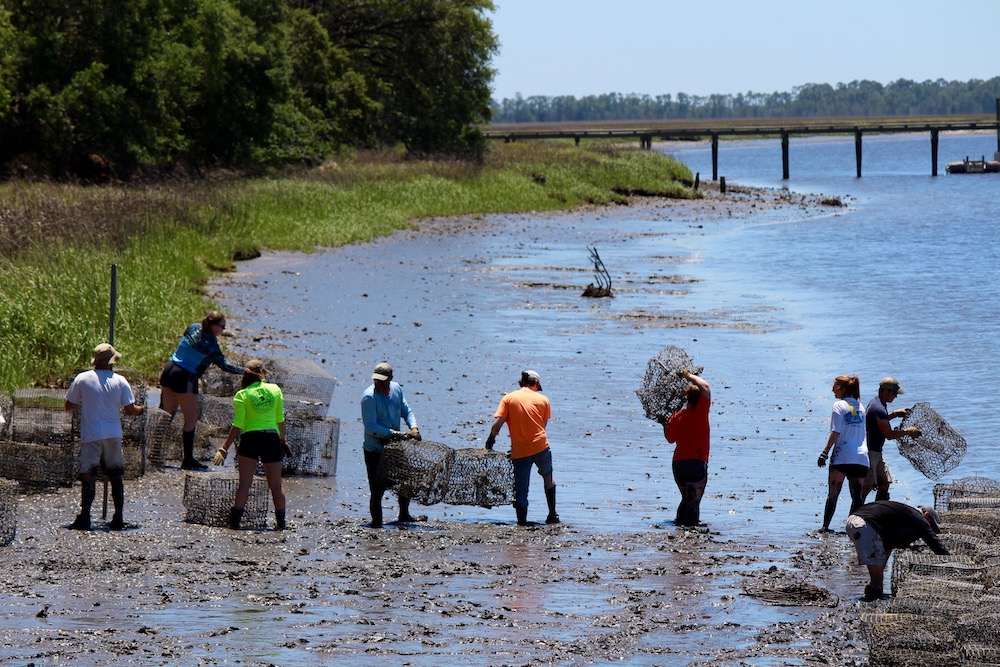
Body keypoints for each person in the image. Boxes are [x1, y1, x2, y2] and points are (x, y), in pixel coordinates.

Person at [64, 343, 146, 531]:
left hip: (91, 434)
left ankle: (85, 516)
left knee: (88, 475)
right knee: (115, 476)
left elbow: (69, 405)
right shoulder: (120, 380)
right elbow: (130, 410)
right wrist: (142, 409)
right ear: (112, 362)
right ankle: (118, 517)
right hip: (112, 434)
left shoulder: (82, 378)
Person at [159, 310, 243, 470]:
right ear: (213, 326)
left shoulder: (193, 327)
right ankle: (188, 460)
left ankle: (154, 452)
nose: (223, 330)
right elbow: (225, 365)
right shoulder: (210, 345)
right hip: (185, 377)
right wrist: (245, 371)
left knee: (165, 414)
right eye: (222, 327)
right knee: (192, 417)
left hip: (169, 369)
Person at [213, 360, 287, 530]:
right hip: (271, 438)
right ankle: (281, 525)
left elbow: (237, 424)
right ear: (263, 372)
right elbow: (280, 420)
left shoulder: (242, 394)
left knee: (245, 483)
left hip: (251, 438)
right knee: (276, 485)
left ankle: (235, 524)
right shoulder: (275, 390)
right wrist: (282, 440)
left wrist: (224, 447)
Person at [485, 369, 558, 526]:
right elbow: (542, 427)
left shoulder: (509, 398)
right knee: (548, 477)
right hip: (541, 446)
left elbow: (497, 425)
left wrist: (490, 440)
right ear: (536, 384)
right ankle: (552, 514)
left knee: (521, 488)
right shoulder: (543, 400)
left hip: (520, 451)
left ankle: (522, 522)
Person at [846, 500, 949, 601]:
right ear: (926, 515)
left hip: (852, 522)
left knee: (879, 560)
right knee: (876, 573)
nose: (929, 527)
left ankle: (875, 593)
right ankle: (873, 595)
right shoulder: (919, 518)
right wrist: (951, 560)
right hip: (864, 525)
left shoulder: (906, 512)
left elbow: (891, 540)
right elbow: (934, 543)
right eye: (931, 524)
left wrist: (908, 545)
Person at [361, 361, 420, 528]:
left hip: (395, 447)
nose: (378, 383)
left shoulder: (396, 389)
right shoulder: (369, 397)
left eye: (382, 380)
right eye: (376, 380)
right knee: (377, 487)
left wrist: (413, 427)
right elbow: (371, 427)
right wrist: (395, 434)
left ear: (390, 379)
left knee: (405, 481)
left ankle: (404, 514)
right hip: (375, 448)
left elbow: (406, 410)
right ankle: (377, 522)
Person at [658, 370, 711, 527]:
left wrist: (664, 425)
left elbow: (670, 439)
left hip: (679, 464)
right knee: (693, 500)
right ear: (700, 399)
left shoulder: (676, 416)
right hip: (697, 461)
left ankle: (679, 526)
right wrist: (688, 376)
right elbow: (705, 386)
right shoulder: (701, 410)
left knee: (685, 498)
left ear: (686, 398)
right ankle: (691, 530)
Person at [818, 374, 869, 532]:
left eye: (835, 386)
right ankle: (853, 529)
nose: (832, 389)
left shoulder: (839, 405)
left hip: (842, 456)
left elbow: (836, 432)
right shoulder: (861, 407)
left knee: (833, 494)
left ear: (844, 389)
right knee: (857, 497)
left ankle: (825, 528)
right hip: (861, 457)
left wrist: (825, 452)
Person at [863, 377, 921, 502]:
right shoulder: (879, 408)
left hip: (876, 452)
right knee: (865, 489)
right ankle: (855, 515)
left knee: (884, 483)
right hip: (870, 453)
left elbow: (879, 422)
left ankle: (880, 512)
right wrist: (908, 432)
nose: (895, 396)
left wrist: (894, 414)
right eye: (894, 393)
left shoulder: (876, 403)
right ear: (885, 391)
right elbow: (889, 434)